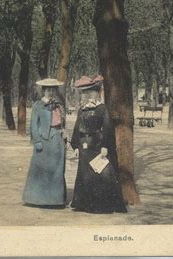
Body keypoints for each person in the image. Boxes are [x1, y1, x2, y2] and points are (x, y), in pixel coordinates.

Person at [70, 75, 127, 214]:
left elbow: (107, 127)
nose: (87, 96)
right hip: (84, 147)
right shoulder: (82, 110)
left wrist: (105, 146)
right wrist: (76, 146)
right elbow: (77, 128)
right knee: (84, 175)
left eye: (90, 93)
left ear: (96, 94)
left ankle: (99, 205)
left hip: (97, 146)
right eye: (85, 93)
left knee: (99, 175)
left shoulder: (102, 109)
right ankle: (83, 204)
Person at [22, 78, 67, 208]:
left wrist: (64, 135)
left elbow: (62, 123)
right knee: (41, 171)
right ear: (43, 91)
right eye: (48, 90)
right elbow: (33, 126)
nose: (51, 92)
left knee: (57, 170)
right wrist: (37, 142)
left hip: (57, 140)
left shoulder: (58, 105)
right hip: (44, 141)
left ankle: (55, 200)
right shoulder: (38, 105)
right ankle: (37, 199)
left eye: (53, 90)